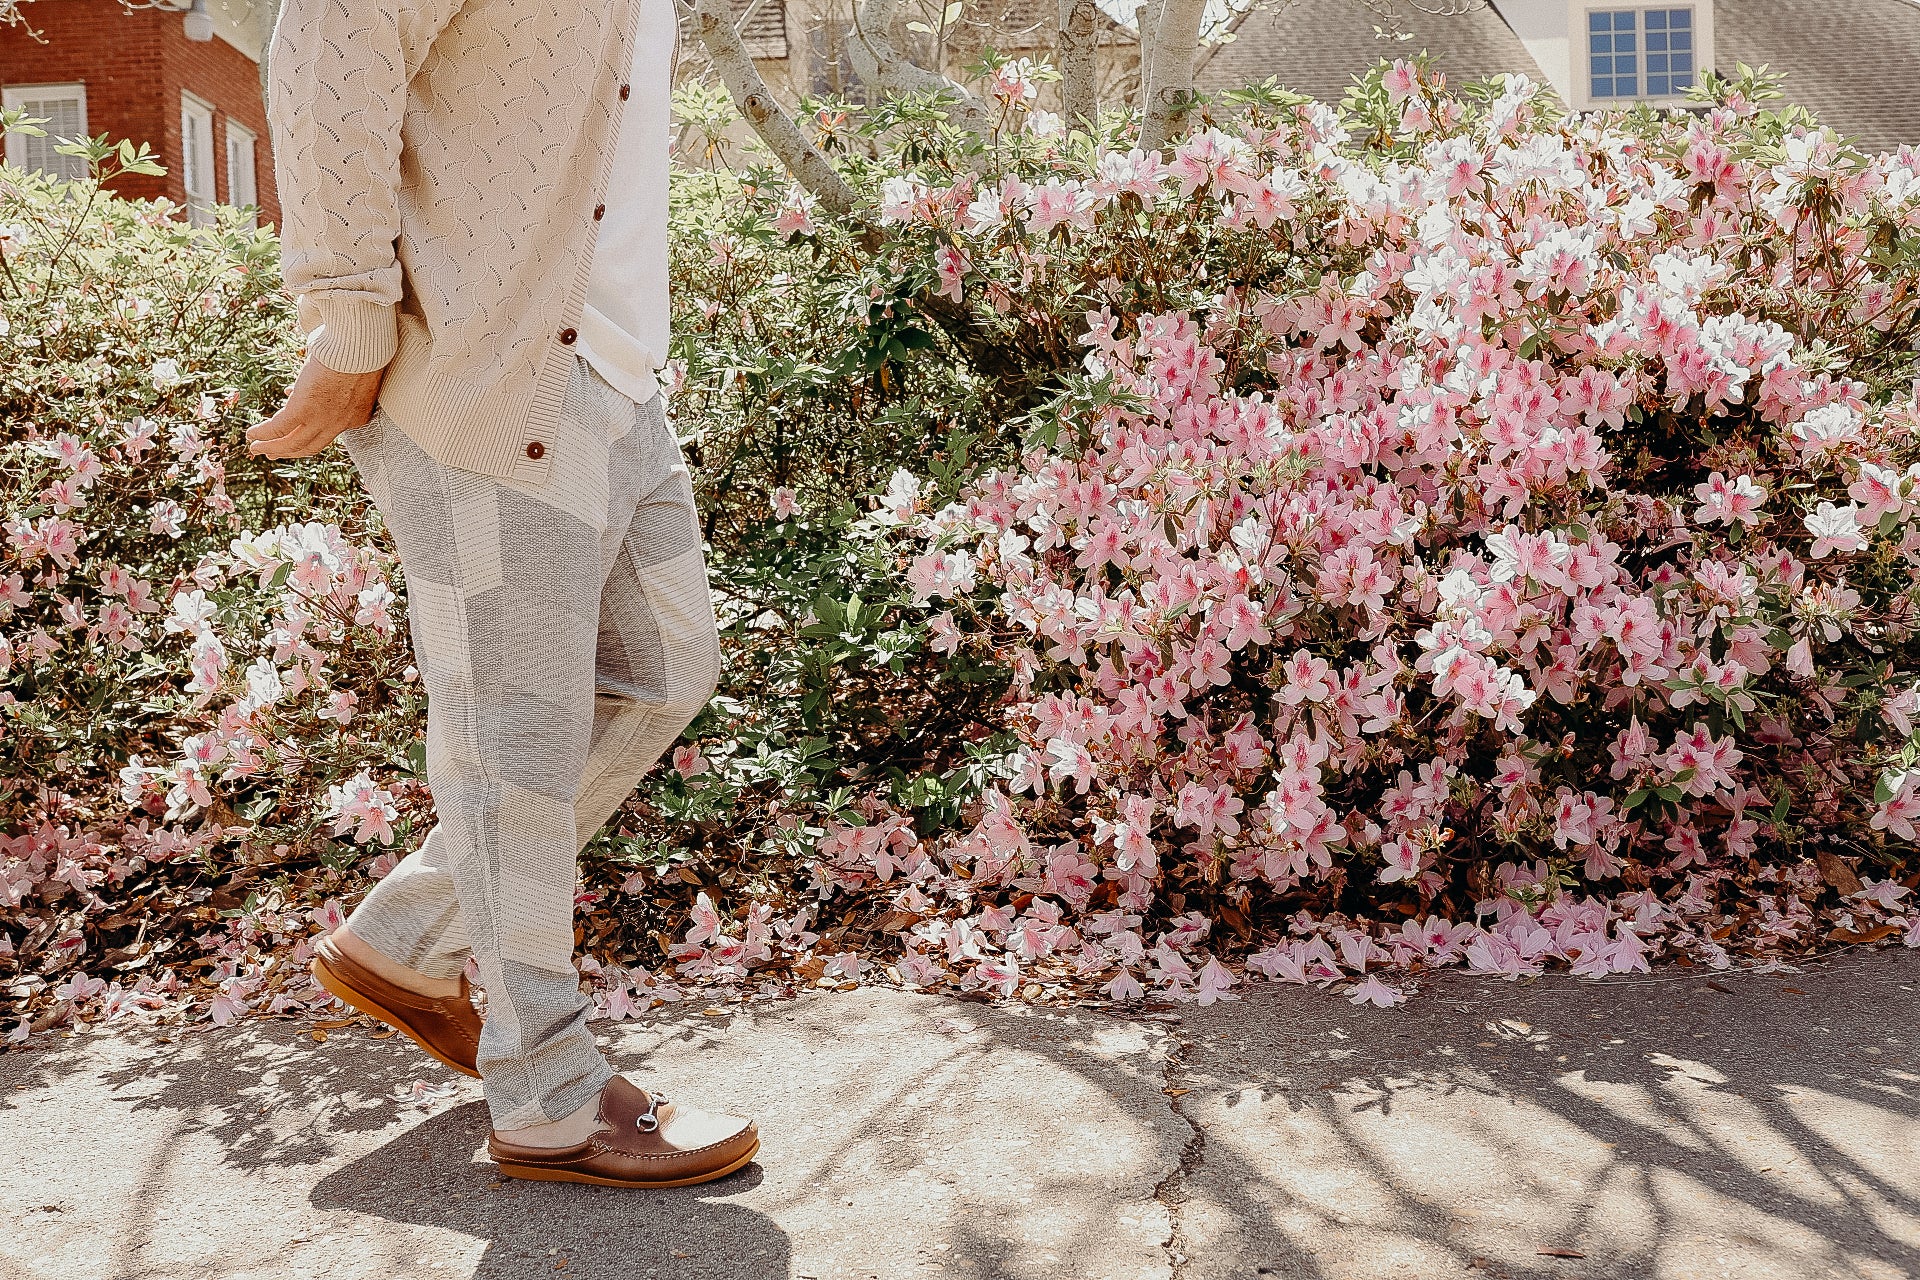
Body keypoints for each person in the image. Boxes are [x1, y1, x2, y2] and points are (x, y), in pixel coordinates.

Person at [248, 0, 759, 1188]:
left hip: (620, 377)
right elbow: (334, 30)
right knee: (511, 744)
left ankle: (407, 936)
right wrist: (350, 312)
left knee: (667, 669)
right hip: (485, 377)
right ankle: (548, 1097)